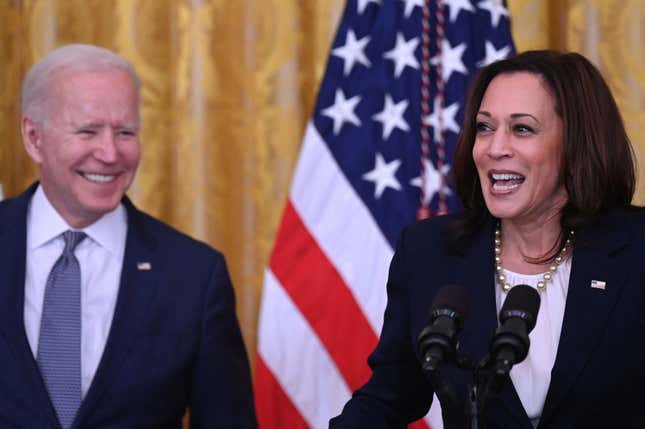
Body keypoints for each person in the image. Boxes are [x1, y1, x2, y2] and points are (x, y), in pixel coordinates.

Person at [330, 50, 645, 428]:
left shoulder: (636, 250)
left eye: (522, 128)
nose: (495, 148)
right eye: (484, 127)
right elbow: (389, 396)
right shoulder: (430, 252)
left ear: (576, 142)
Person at [0, 44, 257, 428]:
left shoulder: (194, 276)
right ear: (34, 138)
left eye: (125, 132)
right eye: (87, 131)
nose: (109, 153)